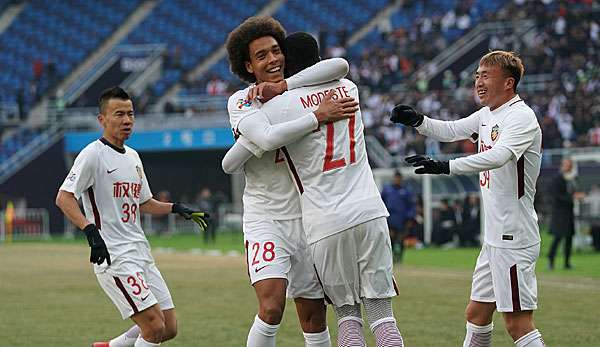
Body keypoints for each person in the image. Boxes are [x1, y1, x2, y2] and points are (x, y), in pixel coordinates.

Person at [223, 32, 404, 347]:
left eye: (277, 52)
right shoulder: (348, 89)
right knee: (274, 306)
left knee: (329, 316)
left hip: (316, 220)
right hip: (292, 214)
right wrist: (316, 115)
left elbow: (233, 160)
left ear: (290, 61)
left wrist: (288, 99)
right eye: (262, 55)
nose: (273, 60)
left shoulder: (279, 105)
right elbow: (340, 66)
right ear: (248, 65)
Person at [390, 51, 546, 347]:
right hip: (495, 238)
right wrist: (418, 121)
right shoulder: (488, 114)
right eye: (477, 75)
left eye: (486, 75)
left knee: (518, 324)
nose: (478, 81)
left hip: (514, 236)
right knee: (476, 314)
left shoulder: (521, 117)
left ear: (509, 83)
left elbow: (498, 157)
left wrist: (445, 166)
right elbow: (452, 130)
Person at [55, 87, 209, 347]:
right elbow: (64, 197)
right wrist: (90, 230)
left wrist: (176, 208)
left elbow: (144, 203)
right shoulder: (92, 154)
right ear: (102, 119)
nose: (127, 120)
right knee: (153, 327)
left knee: (169, 328)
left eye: (130, 114)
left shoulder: (134, 157)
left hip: (141, 252)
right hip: (115, 255)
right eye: (119, 114)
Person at [548, 158, 578, 269]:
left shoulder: (572, 178)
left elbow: (573, 191)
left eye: (569, 165)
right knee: (558, 238)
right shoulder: (557, 179)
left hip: (569, 212)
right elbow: (557, 196)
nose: (568, 167)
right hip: (560, 214)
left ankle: (567, 263)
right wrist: (572, 197)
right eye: (566, 165)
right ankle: (550, 261)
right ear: (562, 165)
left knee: (569, 239)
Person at [380, 170, 416, 262]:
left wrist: (410, 217)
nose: (397, 180)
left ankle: (399, 257)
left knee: (400, 240)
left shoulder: (406, 191)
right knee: (390, 239)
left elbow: (411, 205)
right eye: (396, 178)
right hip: (390, 218)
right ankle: (390, 257)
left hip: (402, 219)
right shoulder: (387, 190)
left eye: (399, 178)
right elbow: (381, 202)